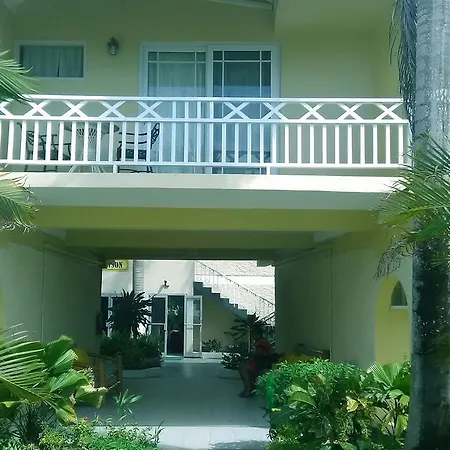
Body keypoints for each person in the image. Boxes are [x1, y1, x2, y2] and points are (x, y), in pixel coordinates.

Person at [238, 329, 273, 398]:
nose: (253, 336)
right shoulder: (263, 341)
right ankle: (250, 387)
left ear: (258, 334)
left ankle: (248, 388)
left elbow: (258, 354)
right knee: (245, 366)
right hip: (261, 363)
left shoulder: (261, 343)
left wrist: (251, 357)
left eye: (254, 335)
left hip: (262, 364)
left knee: (243, 368)